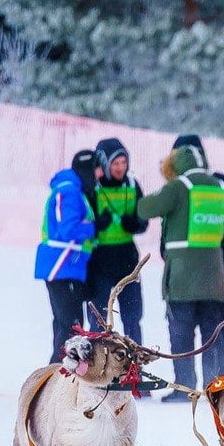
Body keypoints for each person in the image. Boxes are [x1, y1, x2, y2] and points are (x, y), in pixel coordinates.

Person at [137, 144, 224, 403]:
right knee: (212, 335)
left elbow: (145, 209)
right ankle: (216, 386)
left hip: (181, 279)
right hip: (214, 277)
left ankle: (185, 387)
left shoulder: (179, 187)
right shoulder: (220, 187)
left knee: (181, 334)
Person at [171, 133, 224, 375]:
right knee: (184, 330)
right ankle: (184, 386)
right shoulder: (177, 187)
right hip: (188, 276)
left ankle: (219, 382)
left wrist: (217, 249)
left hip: (213, 274)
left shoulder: (219, 182)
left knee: (214, 328)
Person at [35, 150, 98, 363]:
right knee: (70, 327)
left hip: (70, 266)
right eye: (97, 169)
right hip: (61, 265)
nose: (99, 175)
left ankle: (59, 376)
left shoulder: (76, 190)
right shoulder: (69, 191)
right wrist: (96, 227)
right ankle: (56, 376)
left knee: (68, 325)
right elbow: (68, 229)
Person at [87, 137, 147, 345]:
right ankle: (98, 367)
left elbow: (143, 220)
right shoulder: (92, 187)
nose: (120, 168)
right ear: (104, 164)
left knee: (133, 317)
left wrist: (136, 223)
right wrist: (96, 225)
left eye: (123, 163)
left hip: (127, 258)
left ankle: (135, 366)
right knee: (98, 320)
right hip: (99, 260)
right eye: (115, 163)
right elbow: (81, 222)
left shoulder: (132, 184)